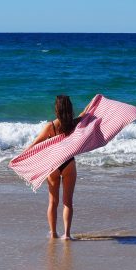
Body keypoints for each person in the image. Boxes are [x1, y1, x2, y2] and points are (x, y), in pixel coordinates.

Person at [25, 95, 84, 239]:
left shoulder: (50, 127)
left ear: (56, 109)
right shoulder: (75, 124)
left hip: (53, 166)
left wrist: (20, 157)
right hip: (69, 163)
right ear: (70, 108)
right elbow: (86, 115)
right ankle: (67, 235)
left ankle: (54, 233)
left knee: (53, 202)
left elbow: (35, 144)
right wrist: (95, 102)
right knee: (67, 202)